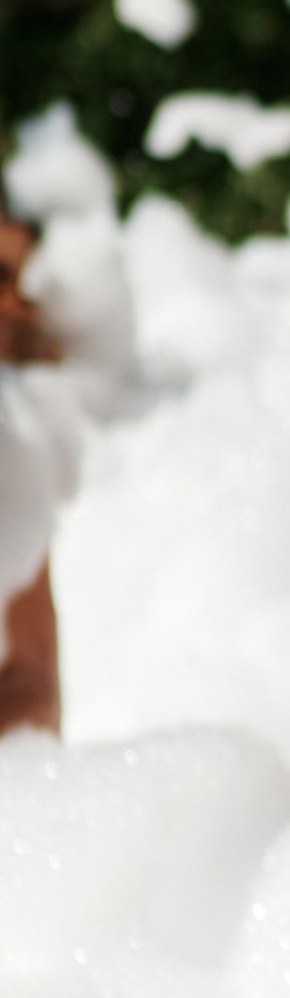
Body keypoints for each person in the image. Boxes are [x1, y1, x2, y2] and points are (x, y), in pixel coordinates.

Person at [0, 201, 67, 737]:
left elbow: (37, 692)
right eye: (1, 276)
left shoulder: (21, 439)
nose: (18, 304)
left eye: (25, 281)